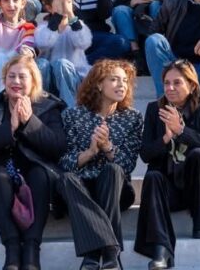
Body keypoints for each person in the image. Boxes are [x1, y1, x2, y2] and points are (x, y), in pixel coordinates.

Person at [0, 54, 67, 270]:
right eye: (11, 76)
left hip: (38, 180)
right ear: (4, 80)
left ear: (33, 81)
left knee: (39, 175)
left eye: (22, 77)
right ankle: (12, 249)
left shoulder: (50, 107)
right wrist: (10, 128)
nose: (16, 81)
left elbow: (58, 147)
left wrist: (30, 122)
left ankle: (32, 250)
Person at [134, 59, 200, 269]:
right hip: (170, 187)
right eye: (166, 83)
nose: (170, 88)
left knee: (199, 154)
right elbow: (145, 155)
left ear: (191, 85)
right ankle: (161, 250)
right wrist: (166, 138)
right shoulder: (154, 109)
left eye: (177, 83)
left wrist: (181, 131)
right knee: (152, 176)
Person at [59, 60, 144, 270]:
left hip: (116, 190)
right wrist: (90, 152)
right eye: (114, 79)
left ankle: (91, 256)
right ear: (98, 84)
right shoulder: (73, 115)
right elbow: (65, 162)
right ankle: (110, 252)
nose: (121, 85)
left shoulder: (133, 117)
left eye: (125, 81)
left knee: (113, 169)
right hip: (83, 190)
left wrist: (107, 147)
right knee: (66, 179)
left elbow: (127, 165)